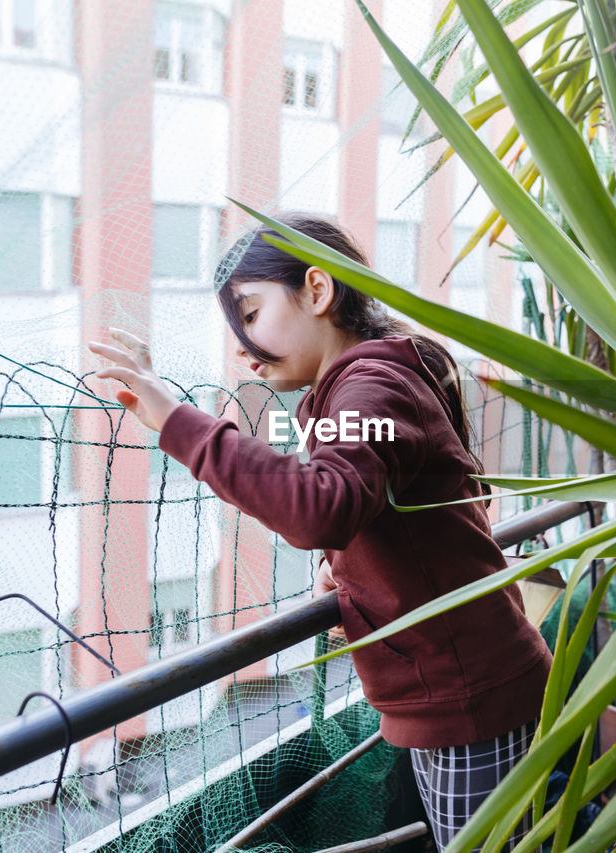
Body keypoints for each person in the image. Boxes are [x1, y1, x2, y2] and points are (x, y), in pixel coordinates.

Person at [87, 212, 552, 851]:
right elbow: (414, 500)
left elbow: (321, 506)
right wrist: (354, 564)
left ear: (317, 290)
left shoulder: (369, 386)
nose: (243, 349)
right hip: (462, 685)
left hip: (464, 697)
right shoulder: (371, 382)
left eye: (250, 315)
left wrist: (175, 419)